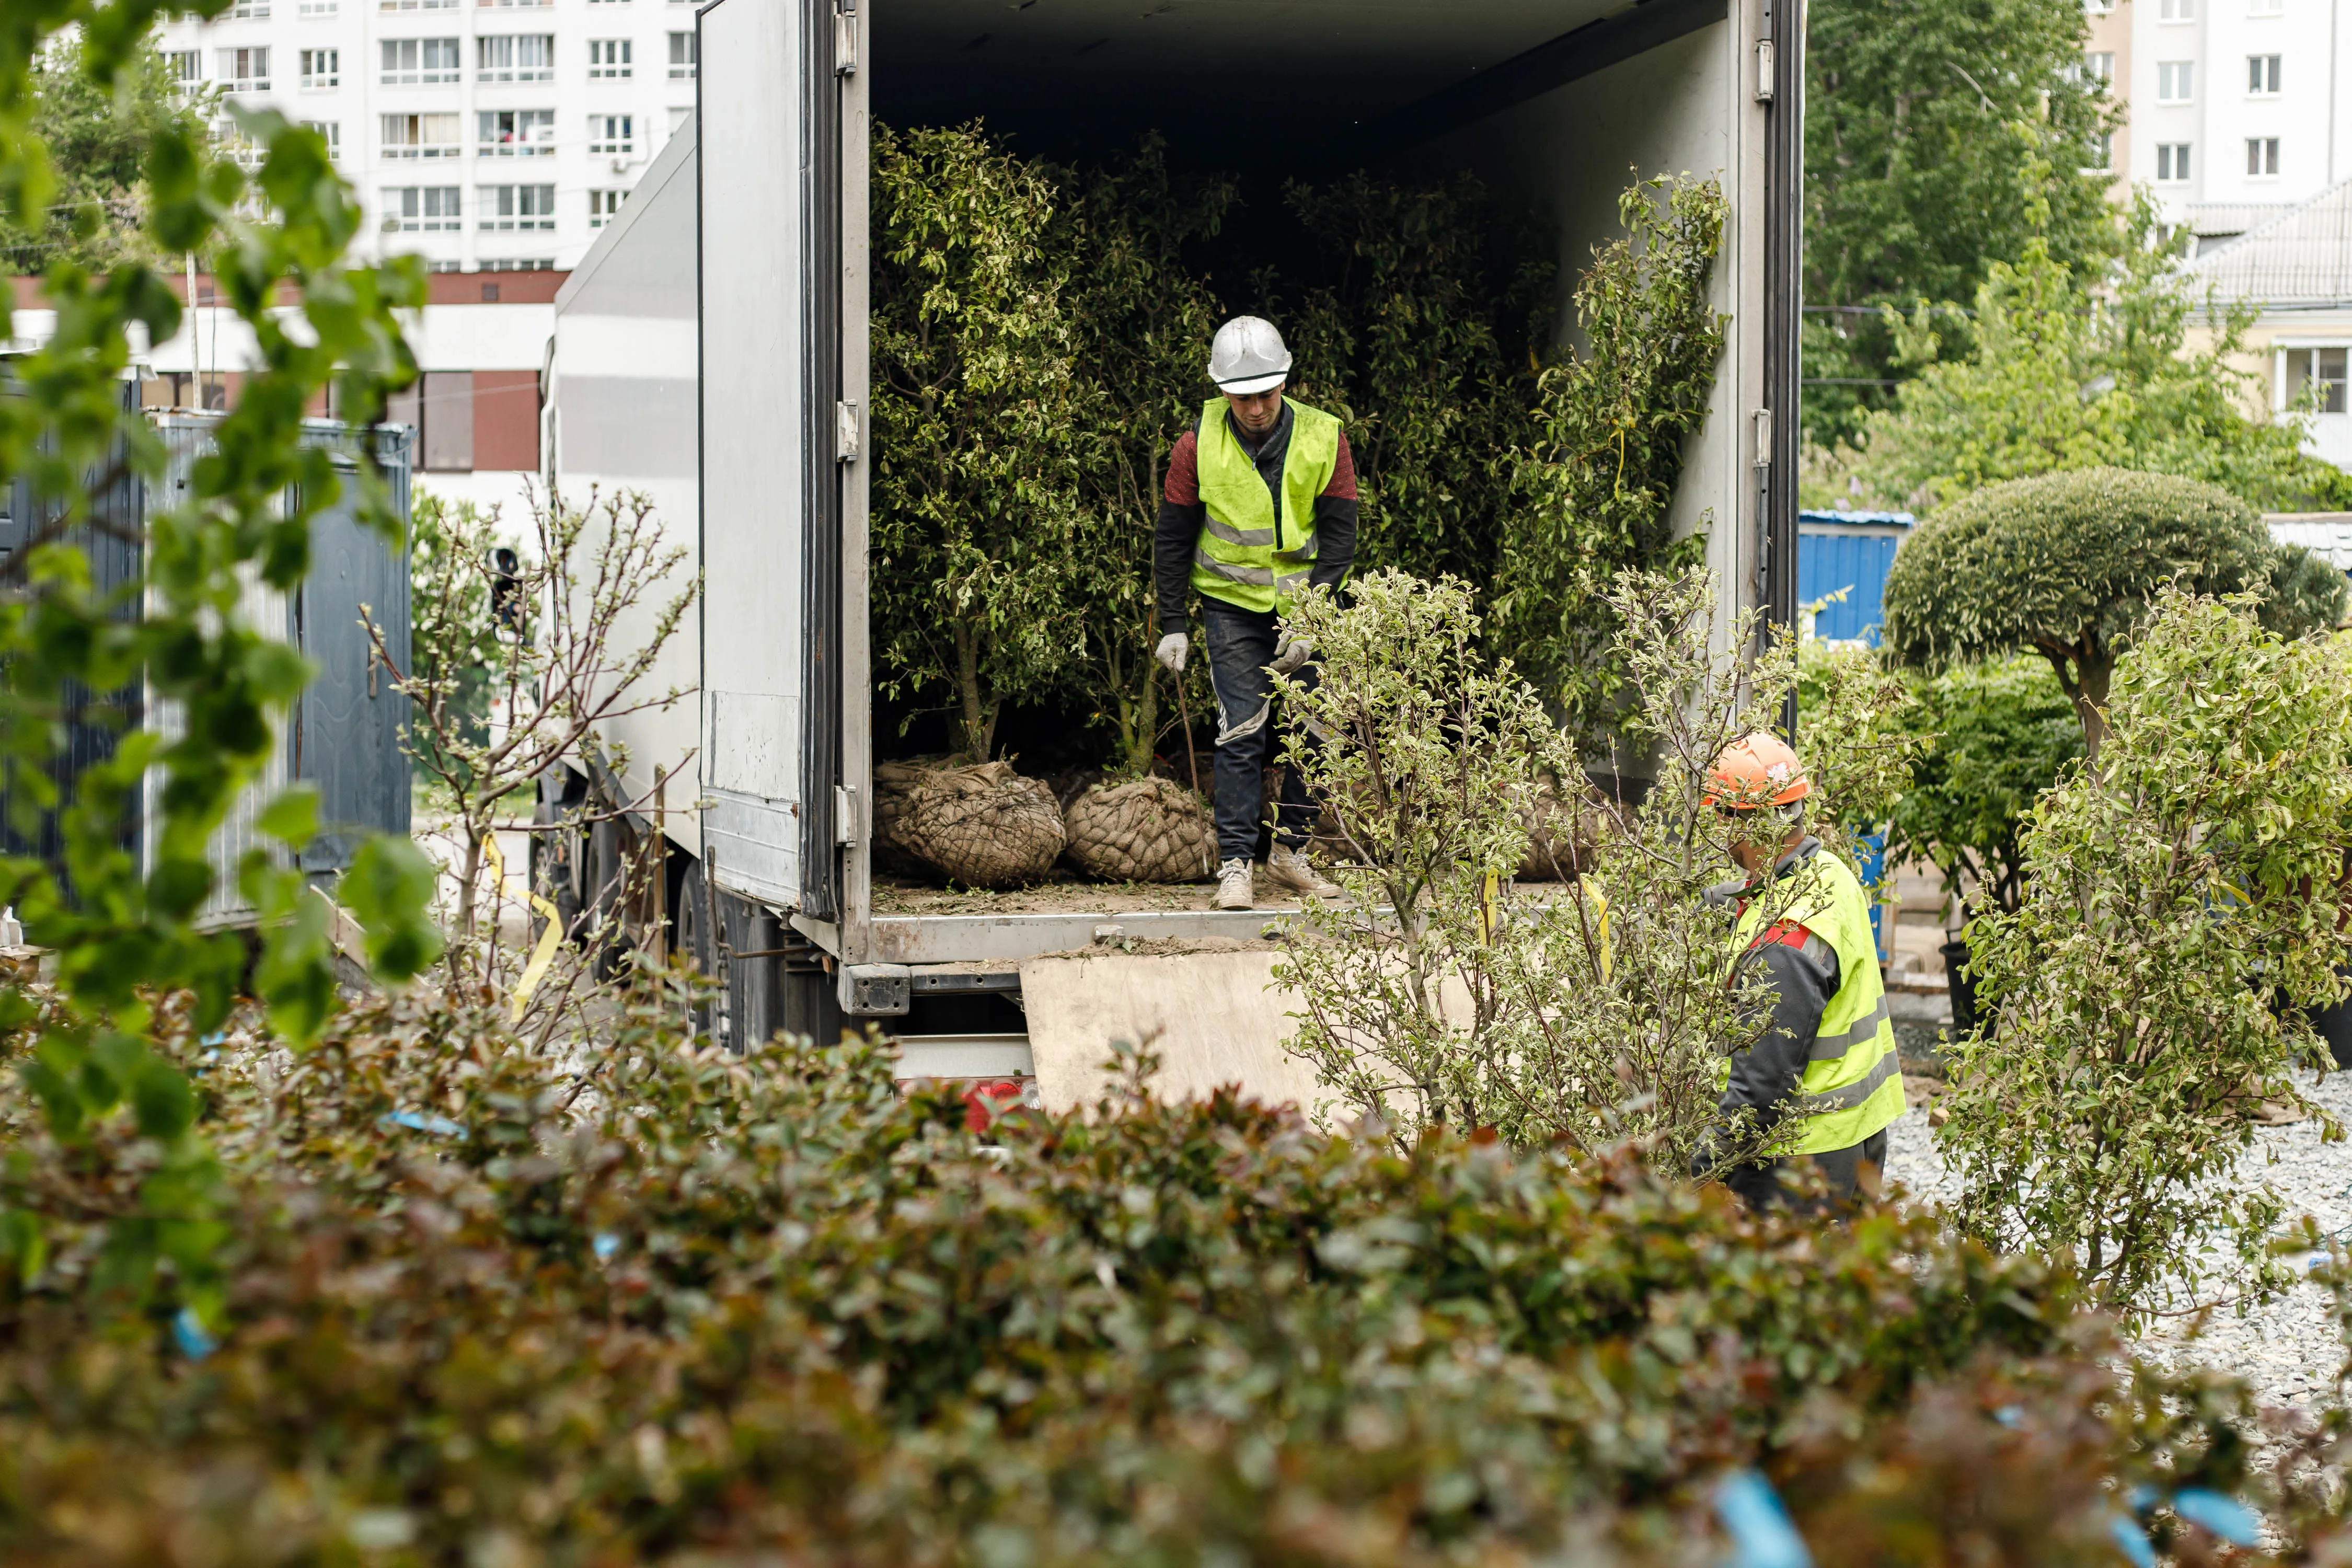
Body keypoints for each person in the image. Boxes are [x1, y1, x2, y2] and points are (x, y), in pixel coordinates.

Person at [1151, 316, 1357, 910]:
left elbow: (1340, 539)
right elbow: (1173, 538)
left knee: (1315, 733)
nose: (1257, 407)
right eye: (1243, 397)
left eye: (1266, 394)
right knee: (1240, 733)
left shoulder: (1325, 437)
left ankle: (1290, 854)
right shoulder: (1196, 444)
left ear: (1285, 381)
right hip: (1231, 607)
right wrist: (1174, 624)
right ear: (1223, 392)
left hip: (1307, 605)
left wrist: (1310, 617)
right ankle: (1237, 867)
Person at [1699, 733, 1905, 1209]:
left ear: (1742, 825)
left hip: (1802, 1158)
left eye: (1720, 813)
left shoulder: (1785, 941)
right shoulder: (1830, 872)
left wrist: (1701, 1172)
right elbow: (1768, 890)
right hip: (1858, 1135)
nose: (1714, 824)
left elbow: (1760, 1088)